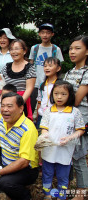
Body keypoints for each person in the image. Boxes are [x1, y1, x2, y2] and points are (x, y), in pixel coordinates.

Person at [39, 80, 85, 200]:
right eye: (56, 93)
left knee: (63, 175)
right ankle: (47, 195)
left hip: (65, 150)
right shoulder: (48, 111)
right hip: (49, 149)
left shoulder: (75, 112)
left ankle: (61, 196)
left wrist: (70, 137)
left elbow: (81, 130)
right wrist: (44, 136)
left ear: (70, 95)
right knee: (47, 173)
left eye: (63, 94)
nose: (59, 97)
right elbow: (44, 128)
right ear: (52, 95)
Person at [64, 35, 88, 200]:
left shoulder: (86, 73)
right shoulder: (69, 72)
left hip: (81, 117)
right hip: (67, 115)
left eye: (77, 48)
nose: (72, 52)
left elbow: (77, 99)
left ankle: (82, 191)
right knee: (70, 153)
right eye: (71, 48)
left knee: (79, 154)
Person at [0, 39, 36, 120]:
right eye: (11, 49)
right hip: (7, 103)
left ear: (24, 51)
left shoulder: (29, 68)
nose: (14, 52)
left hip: (22, 102)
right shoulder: (6, 67)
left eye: (17, 49)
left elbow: (29, 88)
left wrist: (18, 104)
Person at [29, 23, 64, 114]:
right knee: (32, 108)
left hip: (49, 83)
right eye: (43, 32)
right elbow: (31, 64)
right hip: (35, 83)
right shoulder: (35, 48)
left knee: (48, 106)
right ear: (39, 34)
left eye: (48, 33)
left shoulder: (56, 49)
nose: (45, 35)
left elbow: (60, 66)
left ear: (52, 34)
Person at [36, 57, 61, 128]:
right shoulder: (42, 85)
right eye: (45, 66)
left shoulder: (60, 85)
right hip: (42, 115)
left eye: (50, 66)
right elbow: (39, 101)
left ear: (58, 68)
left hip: (55, 115)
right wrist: (38, 116)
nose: (47, 68)